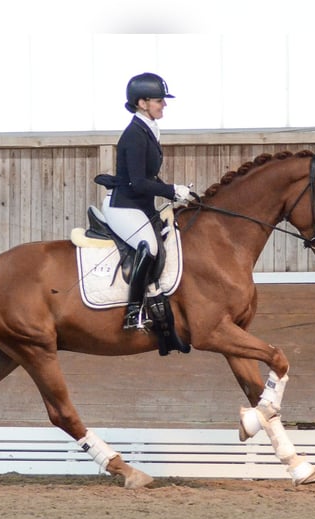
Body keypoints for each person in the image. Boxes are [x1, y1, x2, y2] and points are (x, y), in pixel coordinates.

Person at [101, 72, 191, 354]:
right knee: (149, 247)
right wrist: (171, 190)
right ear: (142, 102)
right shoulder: (134, 135)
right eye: (158, 100)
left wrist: (175, 192)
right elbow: (139, 182)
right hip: (124, 206)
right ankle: (133, 310)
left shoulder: (149, 128)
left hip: (140, 205)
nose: (163, 105)